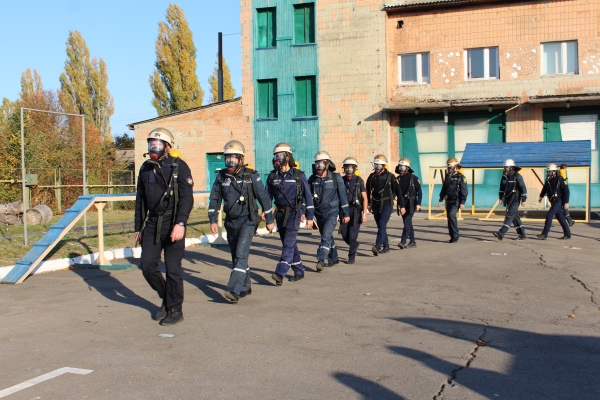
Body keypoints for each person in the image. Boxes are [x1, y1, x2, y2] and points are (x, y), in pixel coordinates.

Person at [134, 127, 194, 325]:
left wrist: (180, 223)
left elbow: (187, 198)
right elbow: (140, 200)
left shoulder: (179, 167)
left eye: (158, 144)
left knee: (172, 268)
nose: (154, 147)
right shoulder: (145, 168)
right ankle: (167, 298)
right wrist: (138, 227)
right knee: (147, 265)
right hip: (152, 223)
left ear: (167, 146)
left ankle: (175, 310)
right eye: (151, 143)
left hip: (173, 222)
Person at [208, 140, 275, 304]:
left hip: (248, 221)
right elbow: (215, 199)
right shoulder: (221, 177)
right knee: (236, 256)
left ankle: (233, 290)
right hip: (231, 222)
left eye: (234, 158)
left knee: (241, 254)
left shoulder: (251, 176)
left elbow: (264, 198)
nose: (230, 161)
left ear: (241, 159)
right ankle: (245, 285)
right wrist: (213, 220)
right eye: (228, 158)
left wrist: (269, 220)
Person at [266, 142, 314, 284]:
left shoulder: (299, 175)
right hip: (280, 214)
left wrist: (310, 217)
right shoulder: (272, 176)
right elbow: (267, 197)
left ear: (288, 157)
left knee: (288, 243)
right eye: (275, 155)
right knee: (290, 245)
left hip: (294, 214)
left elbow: (308, 197)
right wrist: (266, 213)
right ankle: (299, 270)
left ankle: (280, 273)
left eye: (280, 155)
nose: (277, 157)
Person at [308, 151, 350, 271]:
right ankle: (334, 258)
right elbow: (308, 196)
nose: (319, 165)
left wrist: (346, 213)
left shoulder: (336, 178)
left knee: (325, 236)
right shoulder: (312, 179)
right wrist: (307, 213)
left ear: (327, 164)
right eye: (317, 163)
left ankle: (320, 260)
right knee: (327, 236)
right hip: (318, 213)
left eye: (321, 163)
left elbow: (343, 196)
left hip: (332, 212)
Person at [366, 154, 405, 255]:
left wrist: (402, 206)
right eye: (375, 165)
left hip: (387, 204)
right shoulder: (372, 177)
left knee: (382, 224)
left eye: (379, 165)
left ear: (383, 166)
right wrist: (368, 205)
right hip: (375, 204)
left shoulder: (390, 177)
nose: (377, 167)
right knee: (380, 226)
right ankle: (386, 246)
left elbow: (398, 192)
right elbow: (367, 191)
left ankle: (377, 246)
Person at [340, 157, 368, 264]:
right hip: (344, 210)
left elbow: (365, 198)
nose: (349, 170)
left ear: (355, 168)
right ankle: (354, 244)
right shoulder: (341, 180)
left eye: (351, 167)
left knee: (352, 234)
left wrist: (364, 214)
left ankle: (351, 256)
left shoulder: (359, 181)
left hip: (356, 210)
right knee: (344, 234)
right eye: (347, 167)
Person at [493, 159, 527, 241]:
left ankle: (501, 233)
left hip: (515, 199)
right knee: (515, 218)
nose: (505, 169)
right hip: (508, 199)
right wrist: (500, 197)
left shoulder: (517, 176)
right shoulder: (504, 177)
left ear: (511, 168)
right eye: (504, 167)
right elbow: (502, 188)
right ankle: (522, 234)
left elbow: (523, 188)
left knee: (509, 215)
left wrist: (523, 199)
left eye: (507, 167)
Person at [537, 163, 572, 240]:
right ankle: (568, 234)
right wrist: (541, 196)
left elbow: (566, 191)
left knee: (549, 215)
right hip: (553, 201)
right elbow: (545, 188)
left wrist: (566, 202)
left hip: (558, 201)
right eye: (547, 172)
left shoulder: (560, 179)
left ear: (554, 172)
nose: (548, 173)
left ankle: (544, 234)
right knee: (561, 218)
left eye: (549, 172)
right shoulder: (548, 180)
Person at [438, 157, 468, 243]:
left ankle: (455, 235)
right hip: (449, 200)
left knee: (452, 215)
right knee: (449, 218)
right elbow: (444, 188)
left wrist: (462, 202)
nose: (449, 169)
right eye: (448, 168)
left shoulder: (461, 177)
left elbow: (464, 191)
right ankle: (452, 237)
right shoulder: (448, 177)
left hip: (456, 200)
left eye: (450, 167)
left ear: (455, 167)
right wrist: (441, 199)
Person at [395, 158, 422, 249]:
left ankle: (403, 241)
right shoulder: (397, 179)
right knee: (408, 222)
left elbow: (419, 192)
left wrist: (418, 203)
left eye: (403, 167)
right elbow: (395, 191)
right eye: (400, 167)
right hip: (402, 203)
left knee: (407, 221)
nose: (401, 169)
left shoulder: (414, 178)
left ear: (407, 168)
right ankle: (413, 241)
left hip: (411, 203)